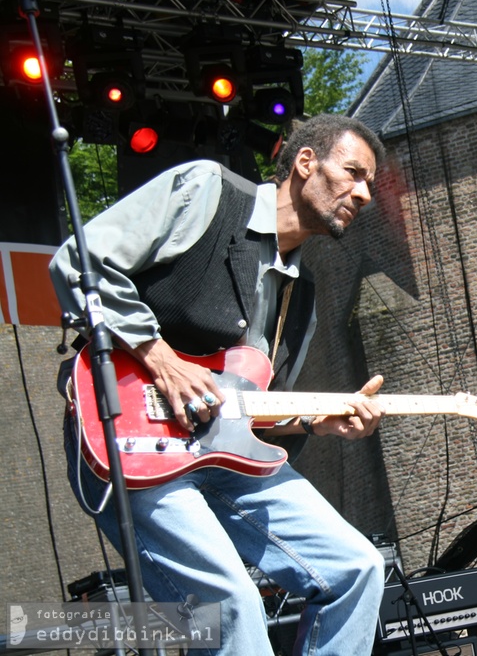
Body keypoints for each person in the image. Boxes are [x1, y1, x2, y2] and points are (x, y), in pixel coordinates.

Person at [50, 114, 388, 655]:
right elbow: (77, 262)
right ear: (305, 163)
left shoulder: (300, 301)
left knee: (359, 568)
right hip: (134, 443)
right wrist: (159, 356)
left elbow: (243, 406)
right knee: (231, 601)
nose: (365, 193)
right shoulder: (208, 192)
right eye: (353, 173)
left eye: (369, 183)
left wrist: (311, 422)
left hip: (222, 458)